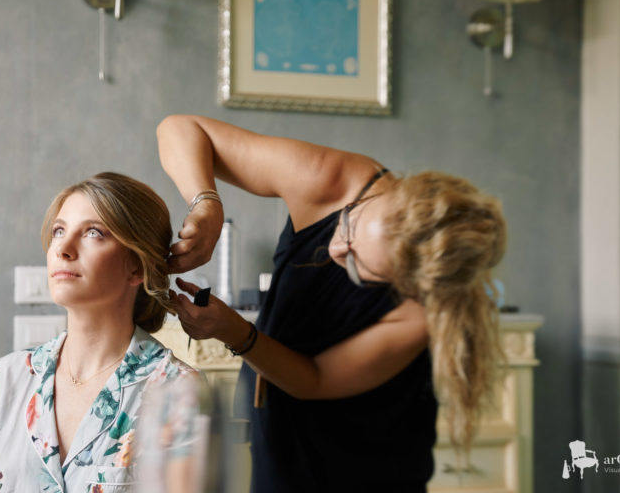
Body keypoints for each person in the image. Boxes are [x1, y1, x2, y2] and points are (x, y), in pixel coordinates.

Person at [156, 115, 507, 492]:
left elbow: (315, 379)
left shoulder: (421, 312)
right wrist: (206, 204)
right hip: (283, 441)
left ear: (409, 285)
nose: (337, 248)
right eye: (350, 225)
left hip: (371, 464)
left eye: (356, 263)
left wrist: (234, 332)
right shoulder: (332, 179)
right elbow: (180, 129)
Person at [0, 172, 199, 493]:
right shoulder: (6, 379)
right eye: (59, 231)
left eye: (93, 232)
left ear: (137, 267)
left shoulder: (178, 393)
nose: (63, 248)